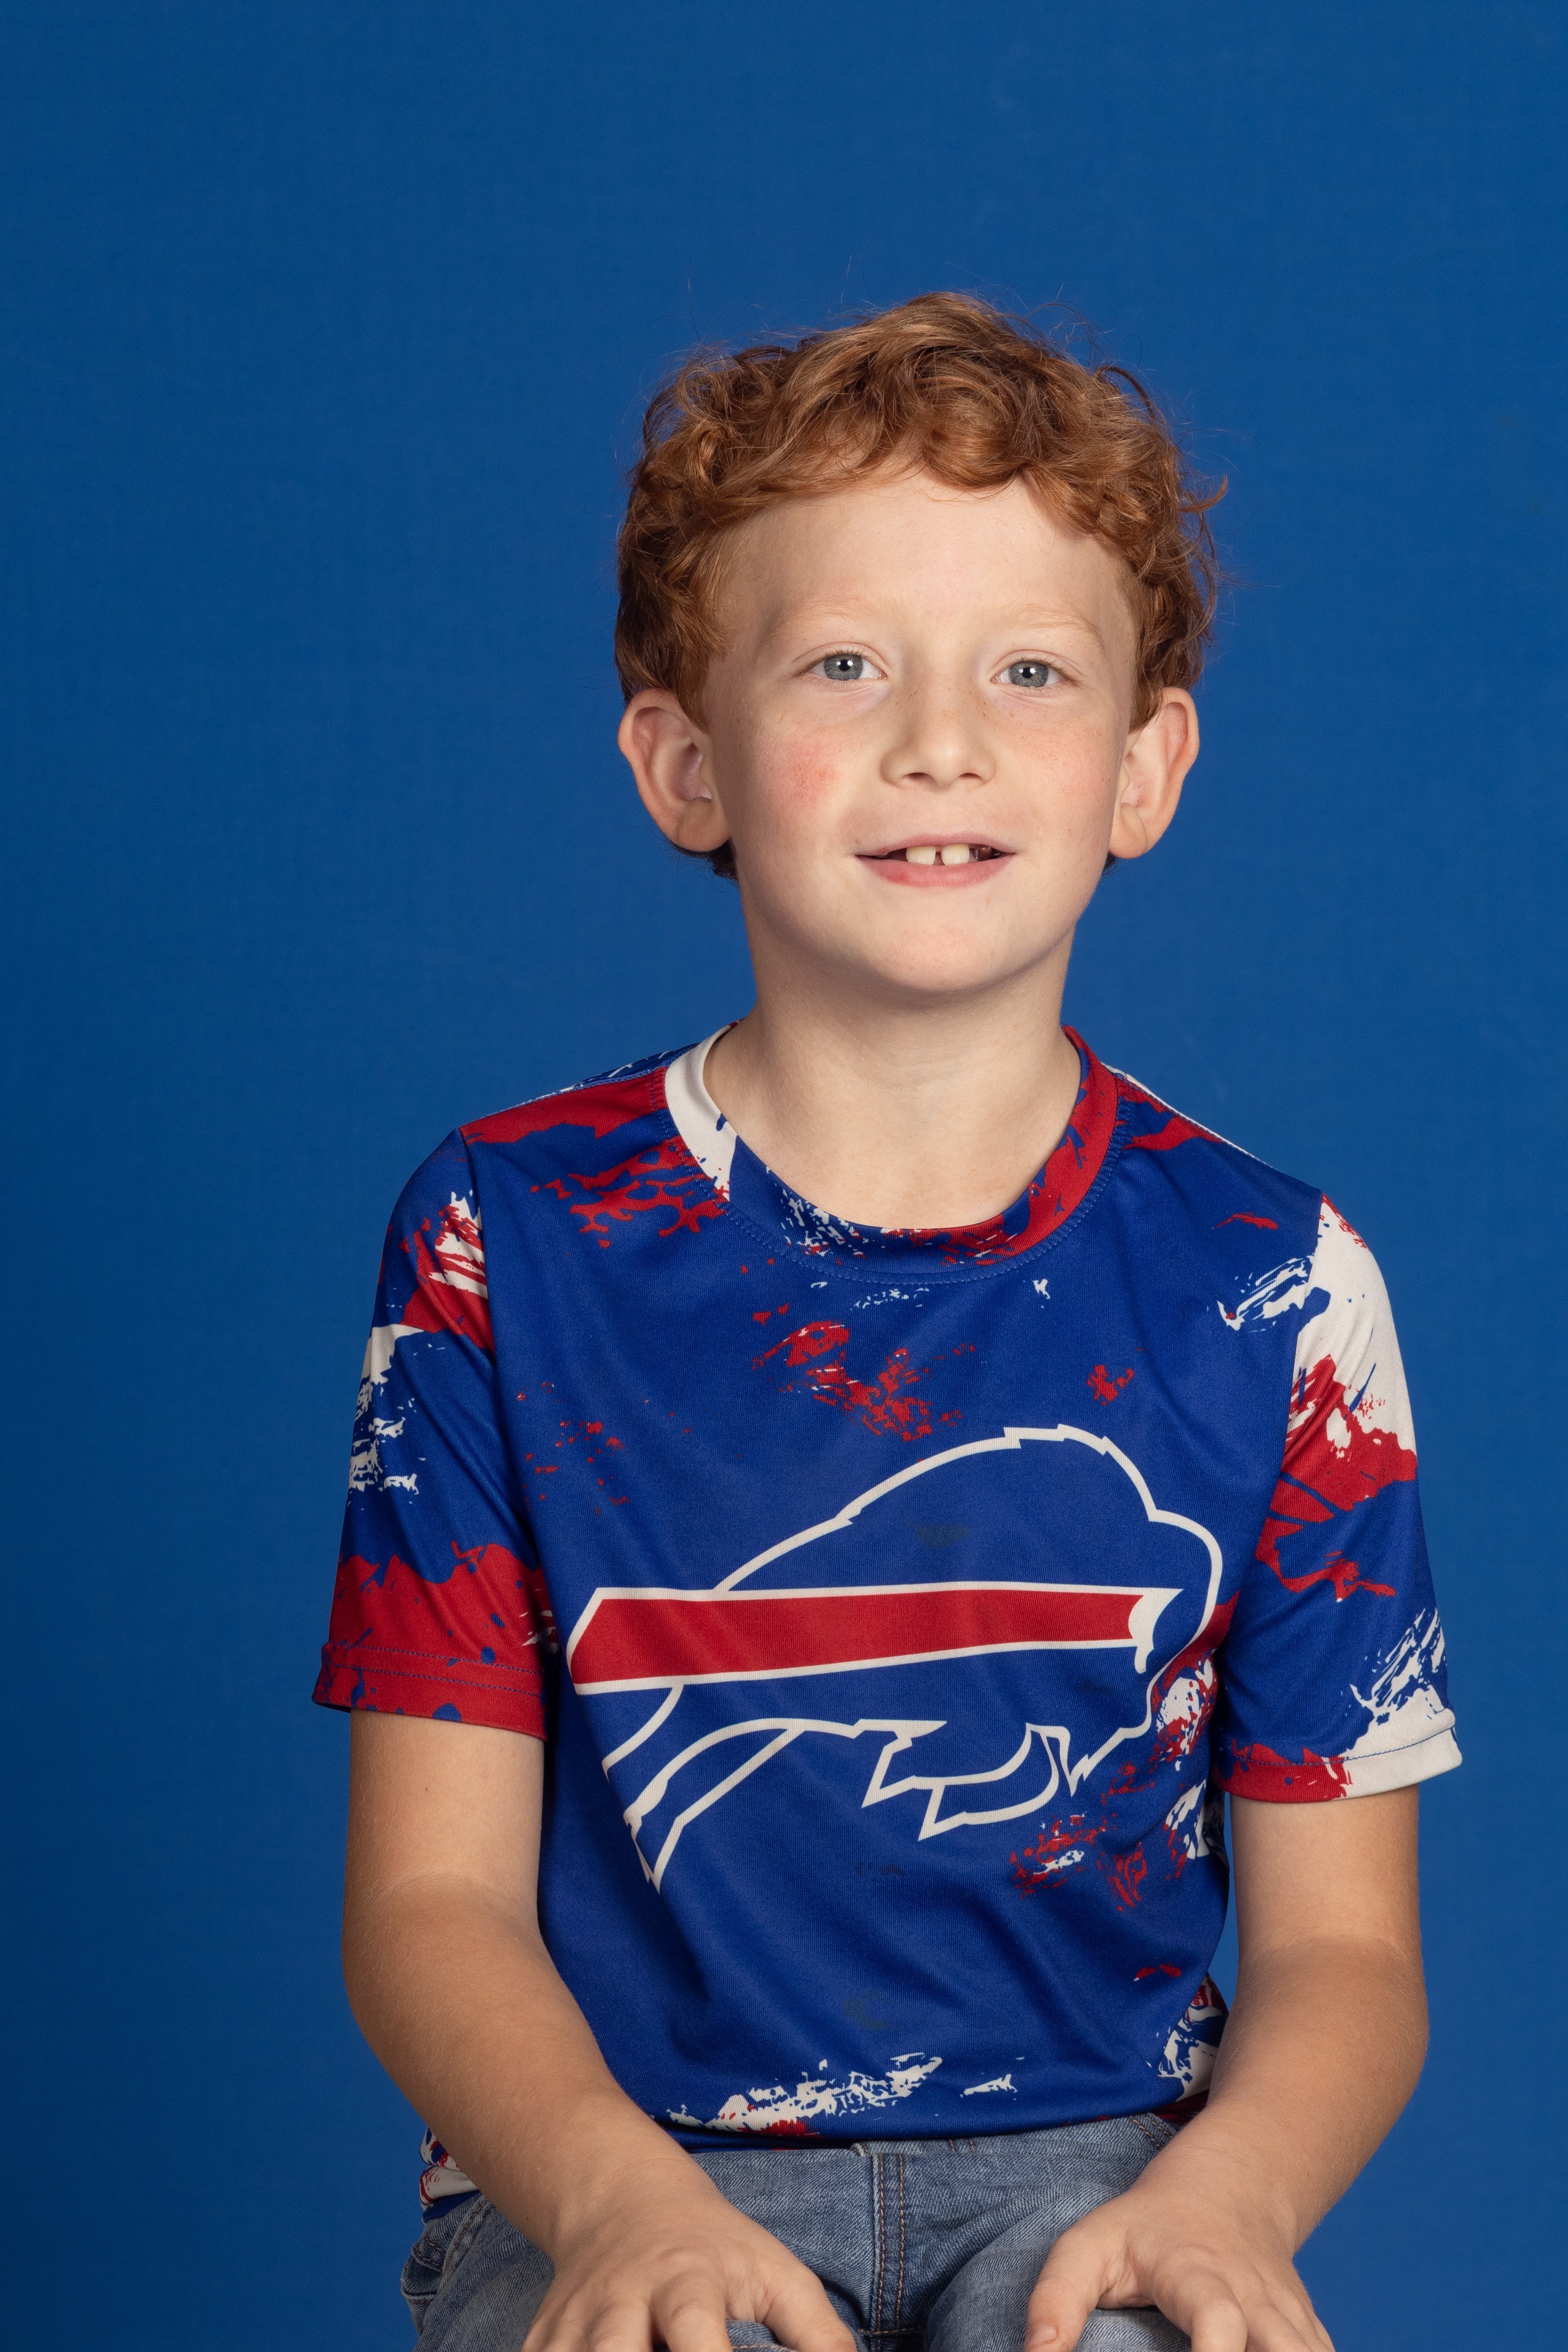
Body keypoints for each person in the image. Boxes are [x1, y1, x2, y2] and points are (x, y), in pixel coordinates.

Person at [314, 294, 1459, 2352]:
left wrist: (1230, 2199)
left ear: (1145, 765)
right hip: (623, 2157)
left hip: (1111, 2161)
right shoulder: (506, 1239)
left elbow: (1349, 1955)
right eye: (846, 663)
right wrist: (613, 2205)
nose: (944, 737)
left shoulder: (1280, 1282)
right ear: (686, 762)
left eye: (1031, 669)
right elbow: (426, 1904)